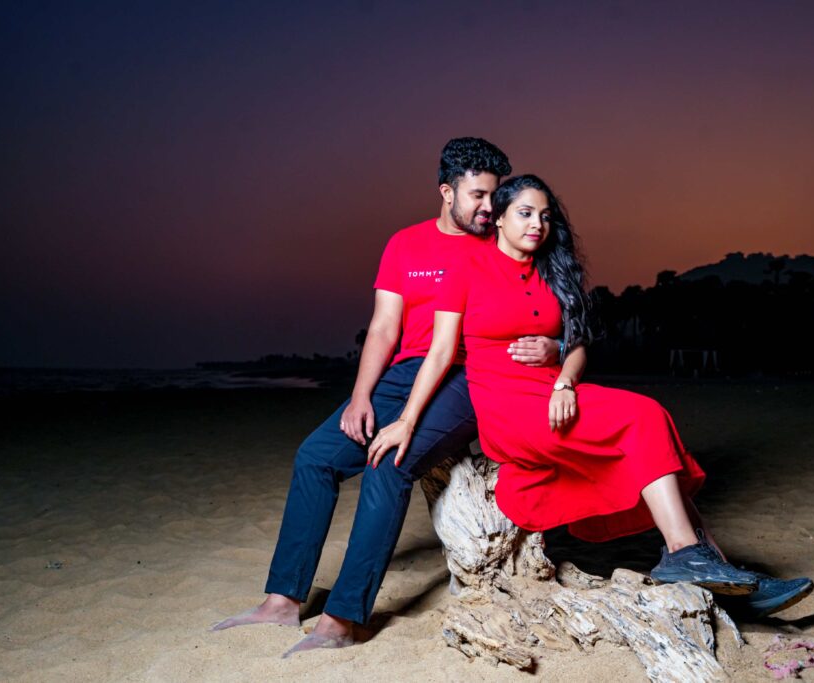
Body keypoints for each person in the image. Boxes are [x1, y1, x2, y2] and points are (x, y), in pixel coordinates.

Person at [368, 174, 814, 614]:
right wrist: (407, 419)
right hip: (508, 409)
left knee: (647, 422)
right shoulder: (466, 266)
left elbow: (578, 344)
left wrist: (563, 377)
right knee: (642, 419)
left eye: (544, 216)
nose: (536, 224)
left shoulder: (551, 271)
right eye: (524, 214)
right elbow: (441, 351)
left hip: (554, 392)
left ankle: (716, 572)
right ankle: (692, 557)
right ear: (499, 218)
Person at [211, 139, 562, 656]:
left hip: (468, 374)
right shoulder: (406, 244)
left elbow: (544, 302)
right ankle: (283, 600)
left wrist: (554, 346)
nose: (489, 209)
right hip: (403, 375)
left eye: (495, 198)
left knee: (389, 463)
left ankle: (343, 618)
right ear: (447, 191)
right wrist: (361, 396)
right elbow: (382, 328)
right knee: (315, 458)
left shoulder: (503, 241)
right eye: (478, 196)